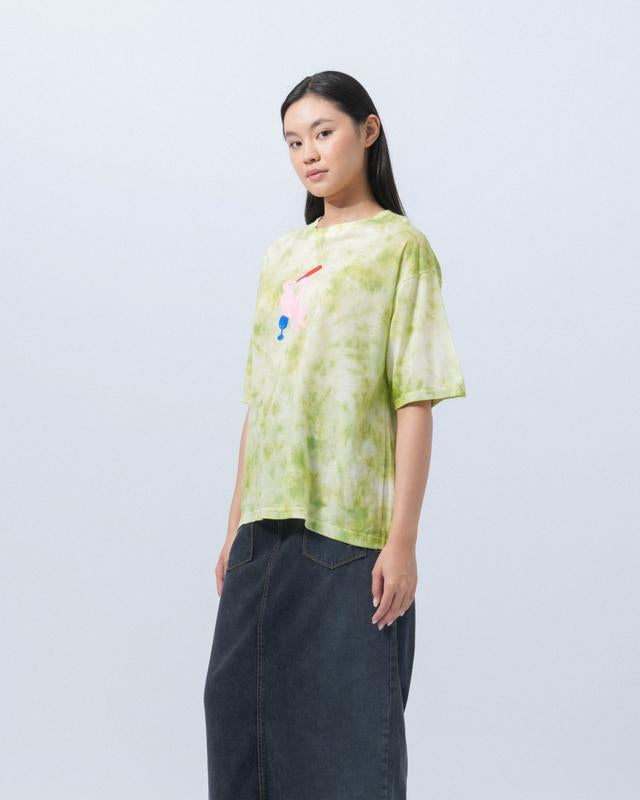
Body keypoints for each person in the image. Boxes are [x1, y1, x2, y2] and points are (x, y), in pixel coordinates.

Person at [203, 70, 466, 800]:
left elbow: (415, 399)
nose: (309, 154)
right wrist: (233, 528)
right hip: (263, 533)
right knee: (241, 732)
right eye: (294, 142)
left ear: (368, 130)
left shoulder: (401, 248)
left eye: (324, 133)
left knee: (347, 744)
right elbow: (262, 400)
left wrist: (402, 541)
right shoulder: (282, 256)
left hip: (348, 536)